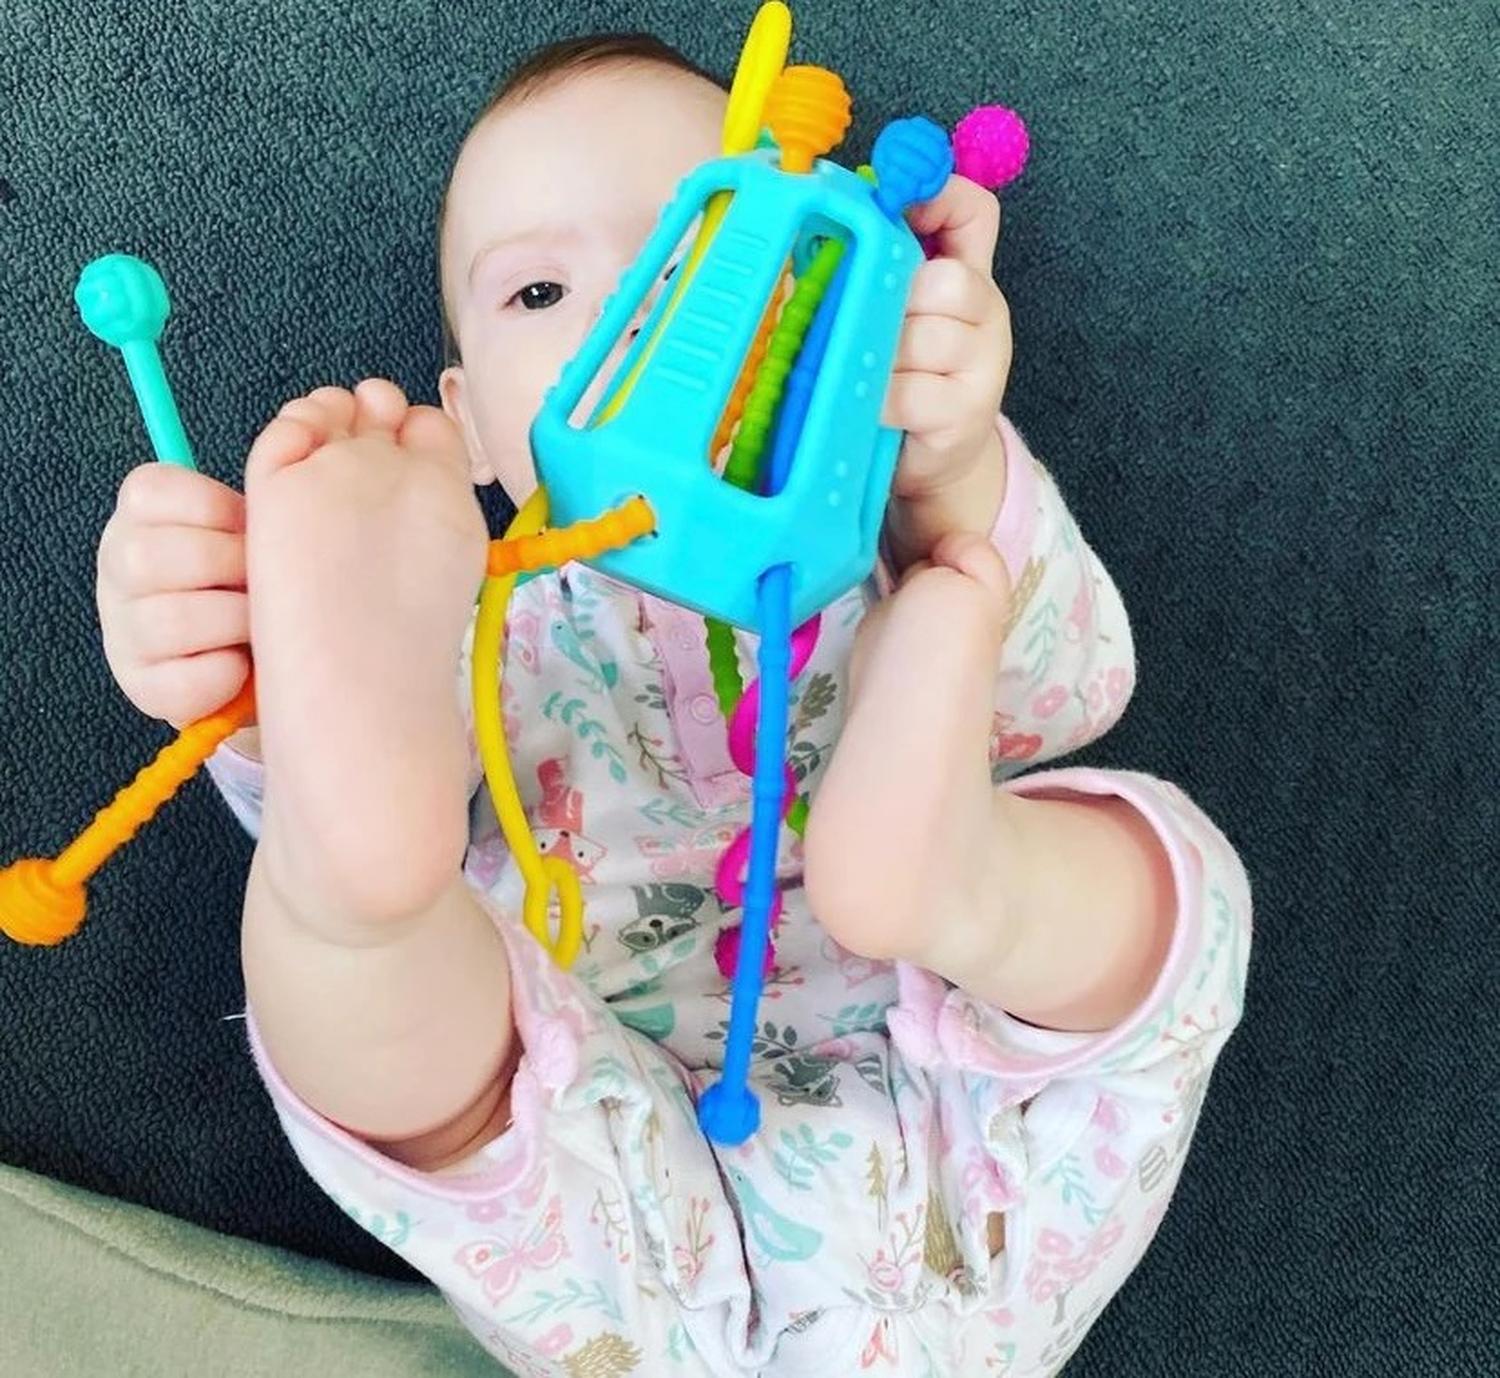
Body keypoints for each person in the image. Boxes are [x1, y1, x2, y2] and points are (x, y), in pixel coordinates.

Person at [93, 31, 1252, 1377]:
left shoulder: (873, 543)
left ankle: (964, 881)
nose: (637, 317)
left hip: (950, 1077)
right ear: (472, 428)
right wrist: (248, 659)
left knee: (1155, 910)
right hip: (608, 1152)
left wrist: (948, 478)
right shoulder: (460, 620)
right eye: (541, 290)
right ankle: (358, 899)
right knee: (433, 1070)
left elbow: (1067, 691)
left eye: (700, 252)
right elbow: (314, 767)